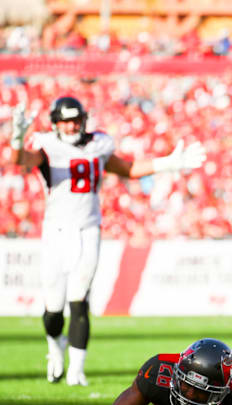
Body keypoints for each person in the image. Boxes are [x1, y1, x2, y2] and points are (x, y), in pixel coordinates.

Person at [9, 97, 206, 386]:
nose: (72, 125)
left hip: (89, 228)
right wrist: (16, 137)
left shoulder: (99, 144)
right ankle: (55, 347)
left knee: (80, 300)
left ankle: (76, 370)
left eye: (76, 119)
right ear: (56, 123)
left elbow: (127, 168)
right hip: (56, 232)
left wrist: (169, 163)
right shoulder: (47, 145)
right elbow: (20, 161)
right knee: (53, 310)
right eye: (66, 120)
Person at [112, 335, 232, 405]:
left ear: (221, 392)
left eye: (199, 392)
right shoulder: (158, 370)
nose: (188, 396)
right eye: (186, 385)